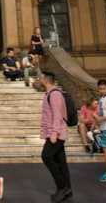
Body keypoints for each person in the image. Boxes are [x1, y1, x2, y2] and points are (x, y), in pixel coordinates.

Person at [40, 71, 72, 202]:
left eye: (41, 77)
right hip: (53, 133)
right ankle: (67, 190)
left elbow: (58, 115)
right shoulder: (49, 94)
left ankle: (62, 186)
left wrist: (54, 133)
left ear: (46, 80)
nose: (39, 79)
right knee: (61, 162)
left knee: (46, 156)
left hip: (56, 134)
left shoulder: (55, 94)